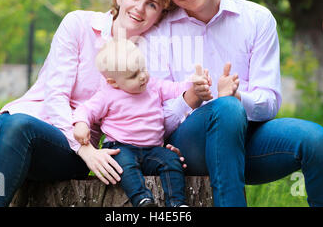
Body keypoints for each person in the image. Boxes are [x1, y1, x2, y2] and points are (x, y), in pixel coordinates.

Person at [0, 0, 186, 207]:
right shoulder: (78, 24)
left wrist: (159, 143)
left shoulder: (148, 55)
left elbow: (151, 106)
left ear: (160, 15)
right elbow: (55, 94)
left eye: (151, 4)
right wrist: (86, 150)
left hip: (67, 148)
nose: (140, 8)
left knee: (19, 128)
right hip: (38, 120)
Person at [141, 0, 323, 207]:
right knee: (225, 110)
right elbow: (152, 117)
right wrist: (190, 98)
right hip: (189, 147)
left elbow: (269, 102)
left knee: (317, 141)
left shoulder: (257, 19)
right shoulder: (160, 32)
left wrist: (237, 98)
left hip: (248, 140)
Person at [73, 39, 225, 207]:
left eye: (143, 69)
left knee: (172, 160)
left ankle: (177, 203)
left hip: (153, 149)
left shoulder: (152, 85)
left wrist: (194, 82)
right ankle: (142, 200)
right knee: (123, 167)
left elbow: (176, 88)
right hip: (120, 147)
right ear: (113, 82)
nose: (142, 76)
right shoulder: (107, 94)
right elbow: (86, 110)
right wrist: (81, 124)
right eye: (133, 75)